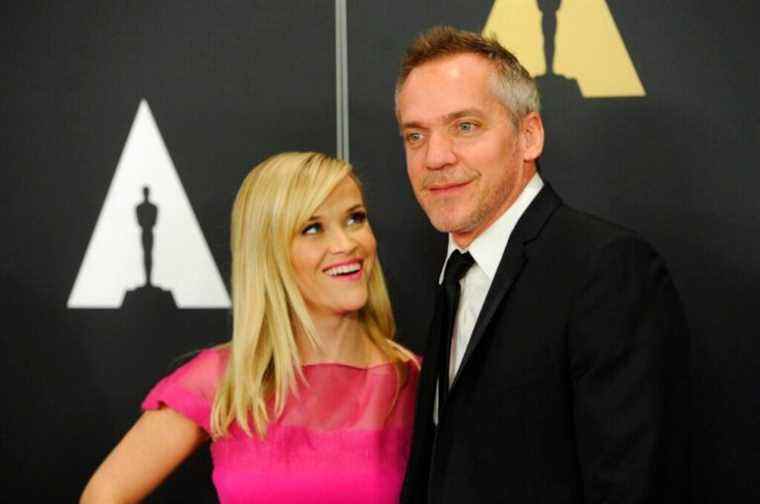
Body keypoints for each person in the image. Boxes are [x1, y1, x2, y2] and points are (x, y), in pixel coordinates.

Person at [395, 27, 690, 502]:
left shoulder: (606, 270)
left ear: (528, 135)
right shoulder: (455, 273)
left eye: (465, 126)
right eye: (415, 134)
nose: (435, 156)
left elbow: (633, 486)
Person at [81, 152, 419, 503]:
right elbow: (105, 494)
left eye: (355, 218)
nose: (346, 244)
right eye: (313, 228)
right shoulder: (226, 379)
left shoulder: (411, 382)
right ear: (268, 251)